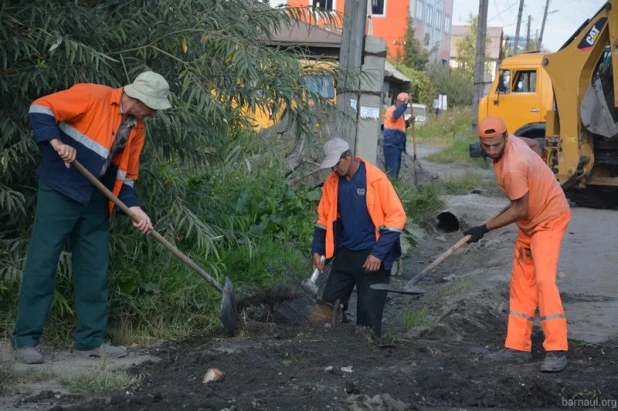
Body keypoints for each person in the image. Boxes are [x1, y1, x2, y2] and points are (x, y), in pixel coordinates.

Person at [11, 71, 172, 364]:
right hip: (61, 188)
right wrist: (57, 144)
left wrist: (134, 208)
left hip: (97, 199)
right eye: (153, 105)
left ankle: (90, 341)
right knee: (42, 262)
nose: (155, 112)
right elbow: (40, 107)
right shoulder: (92, 95)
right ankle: (25, 341)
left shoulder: (138, 129)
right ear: (138, 98)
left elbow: (126, 177)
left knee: (94, 268)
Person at [464, 116, 570, 373]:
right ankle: (516, 347)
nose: (491, 152)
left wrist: (484, 228)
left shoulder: (513, 167)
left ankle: (557, 349)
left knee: (544, 281)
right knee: (521, 283)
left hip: (549, 219)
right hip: (530, 224)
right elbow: (534, 144)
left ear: (505, 137)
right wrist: (535, 174)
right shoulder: (515, 142)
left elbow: (519, 210)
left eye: (495, 146)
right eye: (486, 146)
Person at [311, 138, 406, 337]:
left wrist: (378, 254)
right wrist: (318, 250)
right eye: (332, 165)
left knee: (368, 317)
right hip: (346, 253)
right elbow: (323, 219)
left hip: (373, 256)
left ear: (349, 156)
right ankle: (336, 342)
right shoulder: (332, 183)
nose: (336, 169)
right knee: (327, 307)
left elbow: (397, 217)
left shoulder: (376, 179)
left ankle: (367, 356)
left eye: (339, 163)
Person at [383, 92, 411, 179]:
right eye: (403, 102)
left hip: (397, 146)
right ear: (398, 101)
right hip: (391, 145)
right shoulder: (392, 110)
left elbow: (399, 127)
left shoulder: (400, 114)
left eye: (405, 102)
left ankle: (394, 190)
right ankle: (390, 190)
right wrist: (405, 104)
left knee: (396, 171)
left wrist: (408, 122)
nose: (403, 104)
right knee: (392, 172)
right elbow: (395, 115)